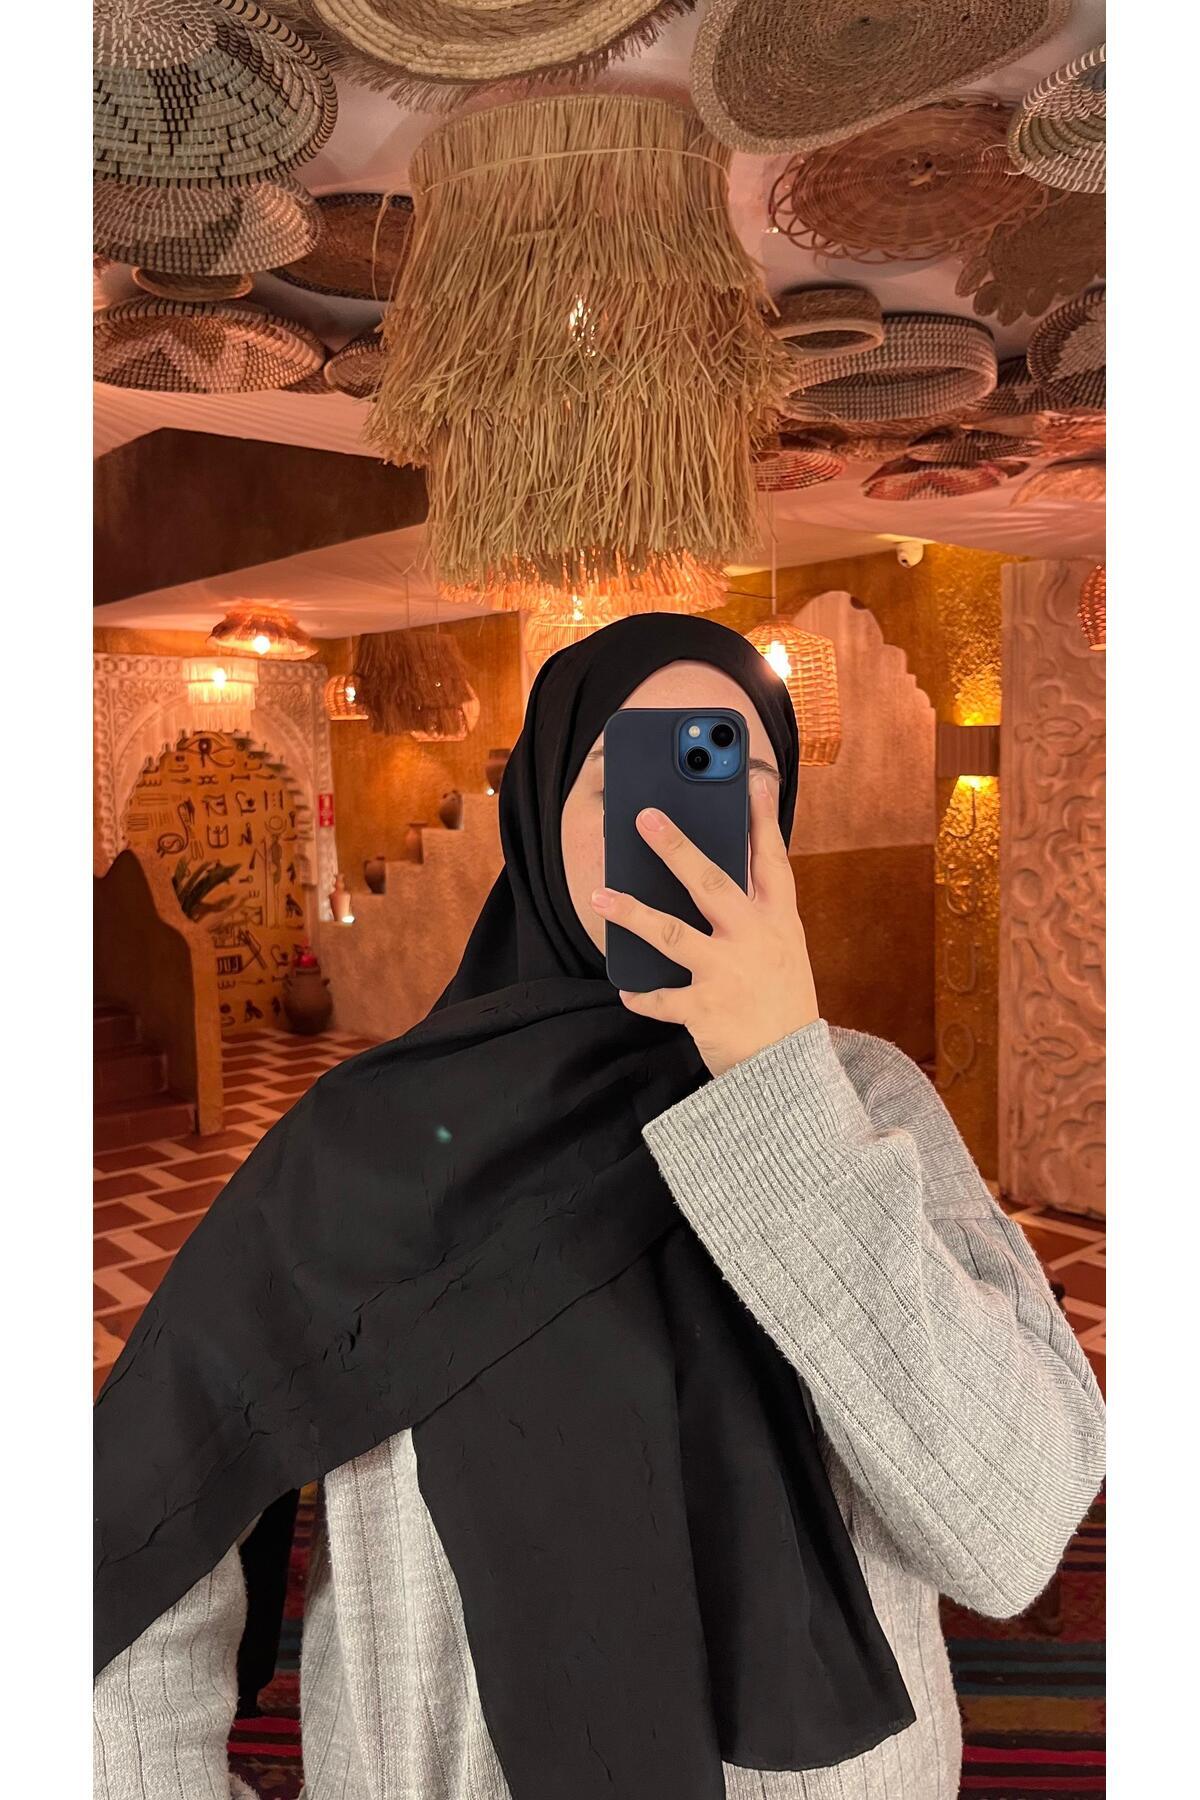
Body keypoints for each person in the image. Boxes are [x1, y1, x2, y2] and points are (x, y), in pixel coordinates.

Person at [94, 614, 1105, 1800]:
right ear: (535, 819)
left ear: (779, 817)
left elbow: (1011, 1531)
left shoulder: (869, 1102)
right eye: (622, 776)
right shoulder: (368, 1145)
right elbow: (131, 1541)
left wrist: (778, 1091)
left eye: (727, 768)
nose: (671, 823)